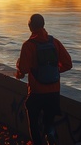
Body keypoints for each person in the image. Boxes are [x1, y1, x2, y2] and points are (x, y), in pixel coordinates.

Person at [15, 14, 73, 145]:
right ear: (43, 25)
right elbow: (68, 64)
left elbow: (23, 70)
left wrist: (18, 67)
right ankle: (50, 134)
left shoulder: (28, 45)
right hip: (53, 92)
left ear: (30, 27)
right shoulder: (55, 42)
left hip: (36, 92)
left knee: (34, 124)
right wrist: (54, 70)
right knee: (49, 122)